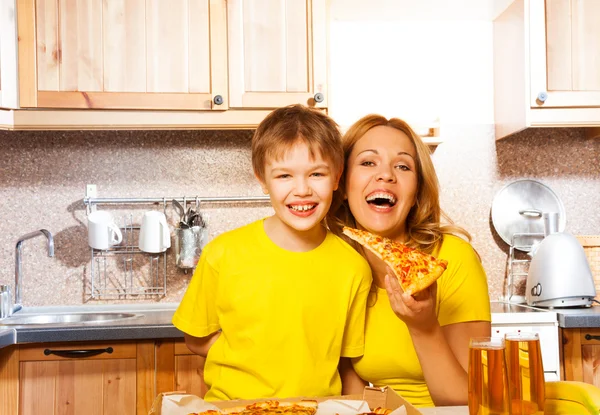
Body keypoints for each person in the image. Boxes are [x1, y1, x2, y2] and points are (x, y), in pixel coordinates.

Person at [172, 105, 372, 401]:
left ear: (337, 177)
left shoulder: (353, 267)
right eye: (284, 176)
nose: (302, 189)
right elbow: (196, 337)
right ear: (262, 179)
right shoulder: (223, 254)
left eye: (317, 173)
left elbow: (345, 363)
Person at [332, 114, 491, 407]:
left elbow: (468, 402)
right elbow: (350, 383)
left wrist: (423, 326)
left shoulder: (451, 259)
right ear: (341, 185)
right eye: (368, 162)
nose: (386, 175)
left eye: (403, 166)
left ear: (416, 191)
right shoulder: (339, 262)